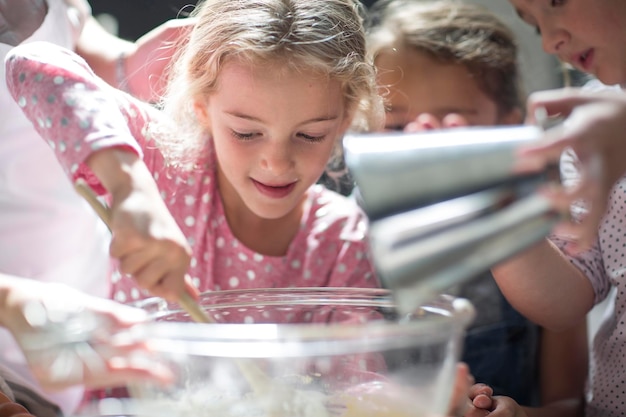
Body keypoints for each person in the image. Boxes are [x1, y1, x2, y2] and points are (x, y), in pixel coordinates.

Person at [5, 0, 383, 306]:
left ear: (345, 118)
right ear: (202, 107)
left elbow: (358, 380)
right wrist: (131, 189)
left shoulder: (342, 239)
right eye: (246, 132)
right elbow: (32, 64)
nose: (277, 162)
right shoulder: (163, 164)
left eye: (310, 135)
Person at [362, 1, 588, 415]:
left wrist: (521, 413)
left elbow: (568, 404)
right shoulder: (339, 235)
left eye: (455, 127)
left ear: (509, 131)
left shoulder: (544, 245)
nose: (420, 145)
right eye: (396, 126)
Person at [0, 0, 191, 415]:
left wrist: (129, 64)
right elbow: (34, 65)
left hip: (72, 300)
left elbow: (78, 48)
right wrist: (11, 302)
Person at [475, 0, 626, 416]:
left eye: (556, 2)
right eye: (532, 23)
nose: (547, 42)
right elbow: (566, 301)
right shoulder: (586, 131)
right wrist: (499, 210)